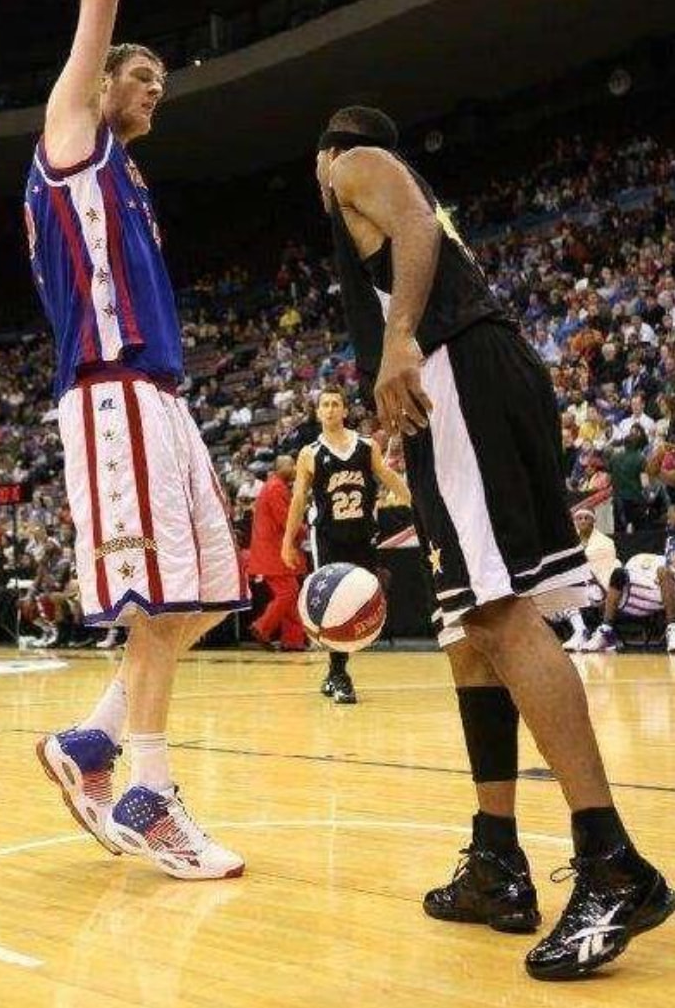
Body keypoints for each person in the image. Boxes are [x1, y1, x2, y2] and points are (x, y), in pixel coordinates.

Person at [314, 104, 673, 981]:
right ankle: (497, 859)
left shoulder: (351, 164)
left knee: (500, 615)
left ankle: (609, 861)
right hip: (455, 386)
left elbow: (405, 225)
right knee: (467, 630)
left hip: (456, 371)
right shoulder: (392, 203)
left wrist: (398, 342)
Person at [26, 0, 248, 881]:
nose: (152, 90)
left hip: (160, 395)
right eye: (139, 78)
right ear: (100, 86)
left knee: (208, 590)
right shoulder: (73, 138)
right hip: (111, 393)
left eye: (164, 83)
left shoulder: (134, 180)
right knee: (160, 598)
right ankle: (151, 794)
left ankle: (91, 742)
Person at [281, 388, 410, 702]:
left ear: (344, 411)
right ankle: (339, 674)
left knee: (362, 600)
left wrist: (412, 501)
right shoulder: (310, 453)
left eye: (335, 404)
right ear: (318, 413)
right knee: (335, 604)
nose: (329, 409)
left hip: (363, 534)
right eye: (324, 404)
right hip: (328, 537)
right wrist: (288, 541)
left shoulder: (367, 446)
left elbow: (386, 475)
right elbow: (298, 499)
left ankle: (333, 672)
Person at [580, 504, 675, 654]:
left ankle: (672, 628)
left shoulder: (603, 543)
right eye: (668, 517)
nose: (668, 521)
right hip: (656, 589)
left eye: (671, 517)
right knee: (619, 574)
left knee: (664, 572)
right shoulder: (670, 539)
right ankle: (606, 631)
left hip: (668, 586)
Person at [247, 456, 308, 652]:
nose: (295, 468)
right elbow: (287, 520)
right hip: (274, 552)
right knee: (288, 593)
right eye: (291, 464)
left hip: (274, 551)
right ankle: (261, 627)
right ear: (280, 467)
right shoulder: (276, 488)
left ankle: (293, 641)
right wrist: (303, 530)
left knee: (289, 595)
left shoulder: (274, 486)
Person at [561, 508, 619, 651]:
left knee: (570, 589)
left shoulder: (606, 542)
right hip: (574, 585)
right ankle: (580, 631)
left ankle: (581, 632)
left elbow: (606, 570)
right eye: (579, 518)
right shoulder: (569, 542)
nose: (583, 521)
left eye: (587, 518)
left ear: (594, 521)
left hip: (598, 587)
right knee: (557, 591)